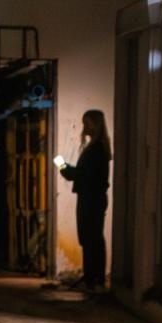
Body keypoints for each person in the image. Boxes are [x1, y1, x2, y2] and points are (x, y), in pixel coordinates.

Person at [59, 110, 112, 291]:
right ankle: (93, 277)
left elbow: (82, 175)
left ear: (94, 125)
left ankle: (93, 278)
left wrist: (63, 166)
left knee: (90, 238)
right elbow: (84, 174)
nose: (84, 127)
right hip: (92, 197)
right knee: (92, 237)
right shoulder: (99, 147)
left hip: (91, 198)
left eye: (86, 123)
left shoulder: (96, 149)